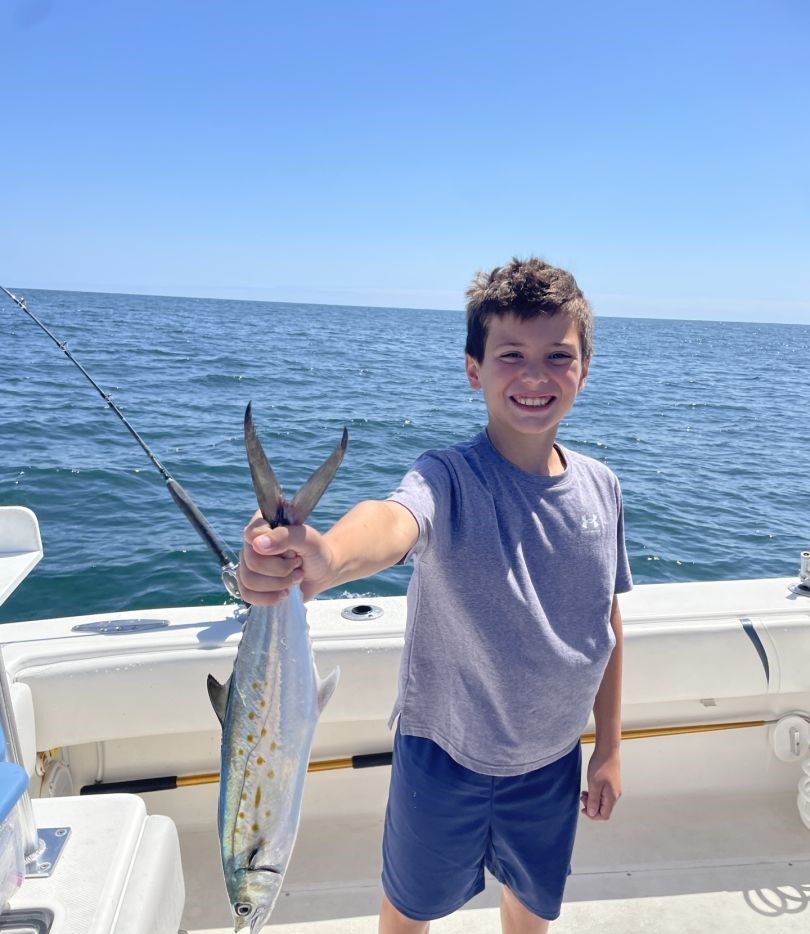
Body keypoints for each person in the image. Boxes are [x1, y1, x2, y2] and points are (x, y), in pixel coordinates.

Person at [237, 256, 632, 934]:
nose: (535, 375)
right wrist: (324, 559)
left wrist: (610, 745)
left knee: (531, 907)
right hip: (443, 759)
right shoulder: (447, 477)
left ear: (585, 369)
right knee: (408, 910)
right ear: (474, 369)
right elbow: (393, 521)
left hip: (552, 762)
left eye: (558, 356)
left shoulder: (603, 487)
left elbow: (607, 621)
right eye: (511, 354)